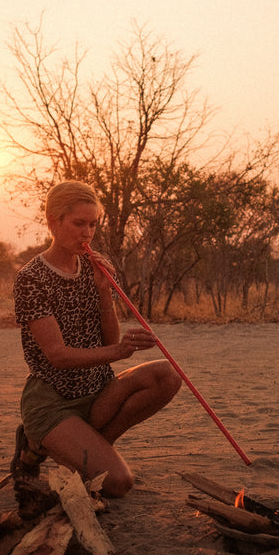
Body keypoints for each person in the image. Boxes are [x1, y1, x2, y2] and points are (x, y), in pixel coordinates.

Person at [11, 180, 182, 497]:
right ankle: (40, 441)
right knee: (118, 483)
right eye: (78, 224)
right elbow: (58, 356)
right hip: (54, 399)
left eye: (92, 225)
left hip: (97, 390)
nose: (87, 233)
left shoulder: (91, 268)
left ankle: (86, 446)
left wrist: (104, 292)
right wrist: (119, 352)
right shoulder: (31, 278)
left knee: (167, 375)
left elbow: (108, 338)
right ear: (53, 221)